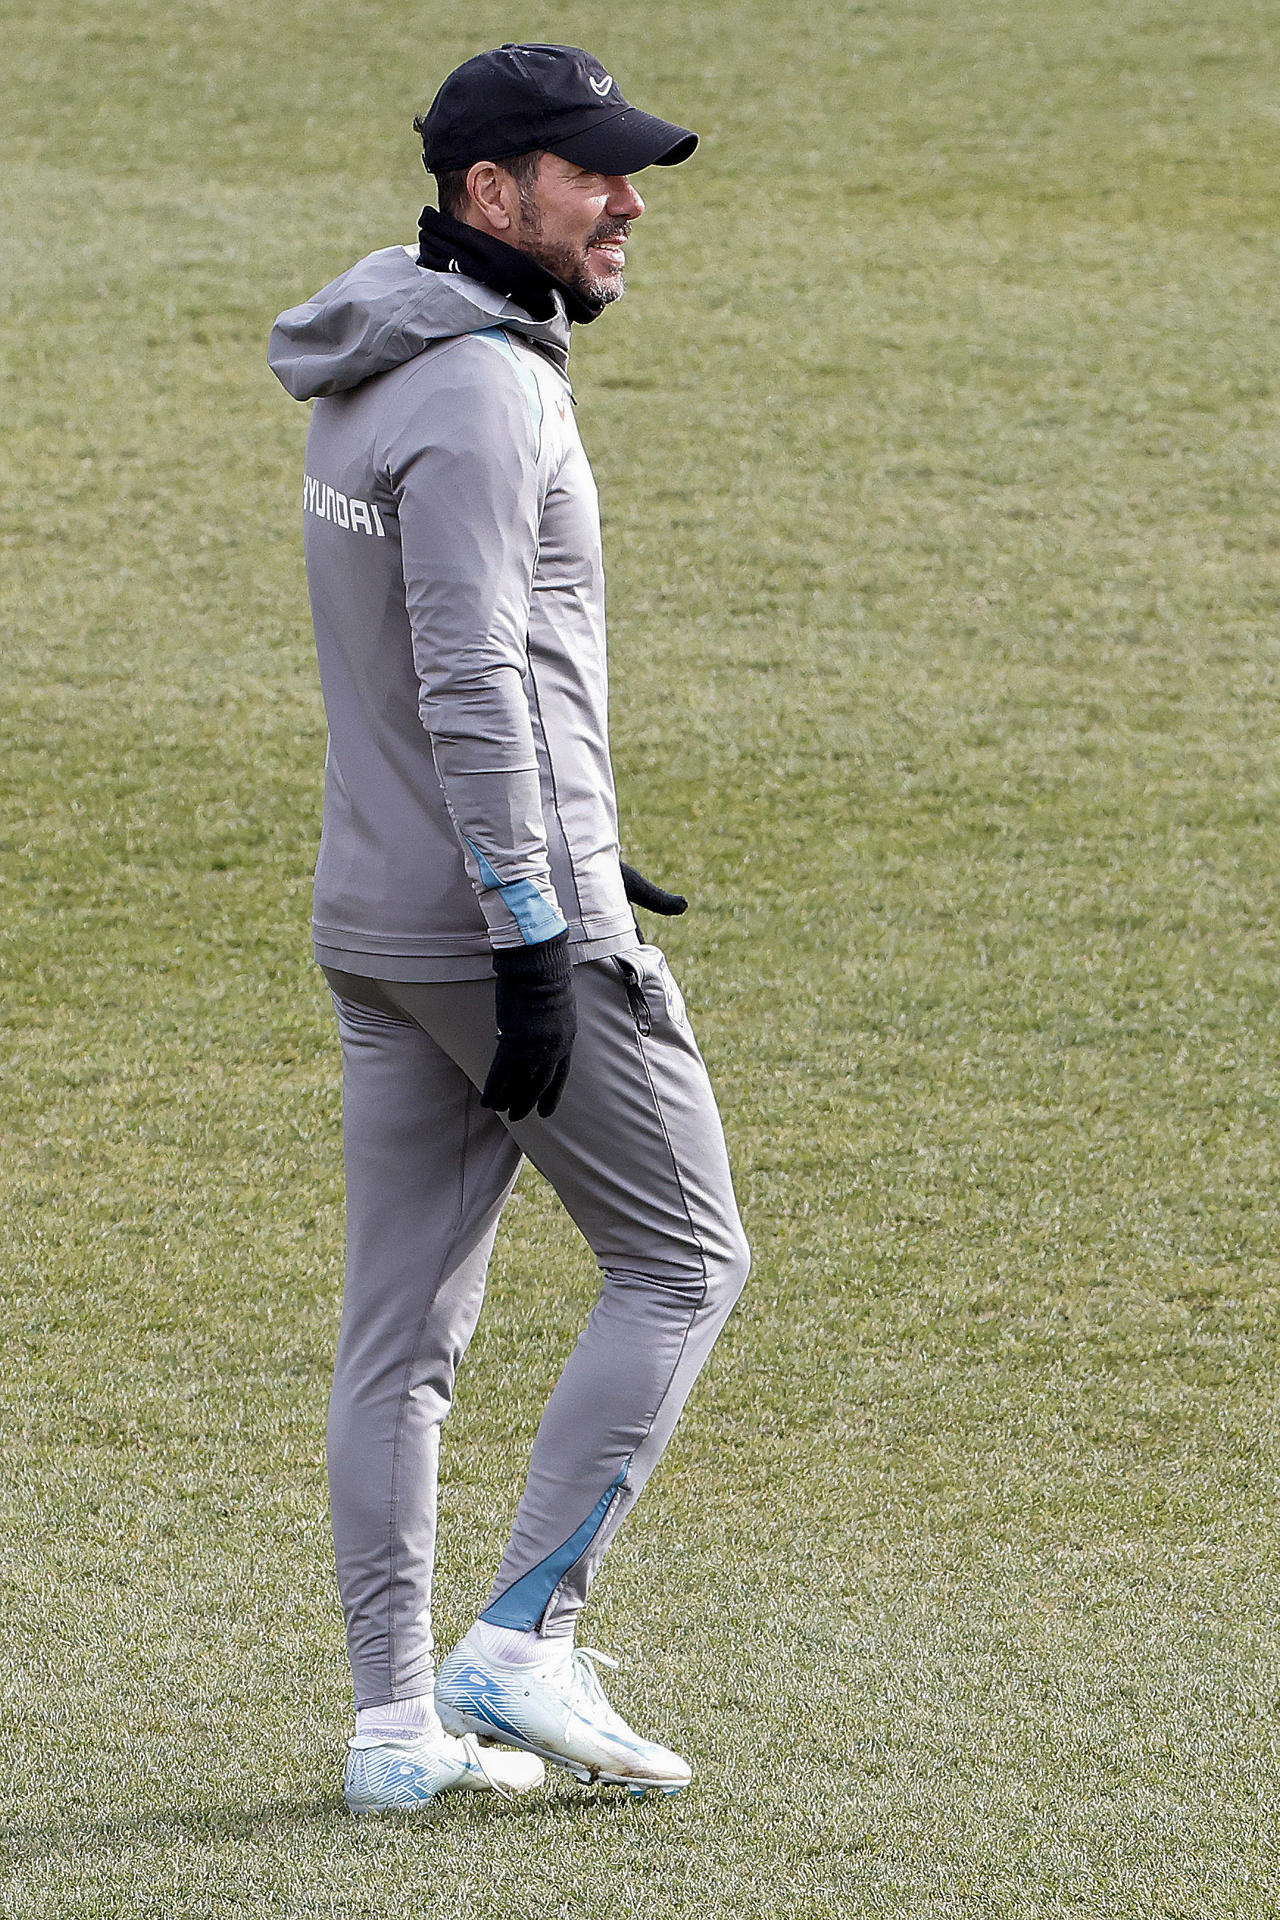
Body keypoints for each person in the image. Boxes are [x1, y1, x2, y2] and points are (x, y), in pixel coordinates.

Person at [268, 42, 749, 1816]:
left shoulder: (371, 357)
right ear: (494, 198)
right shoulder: (488, 392)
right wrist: (543, 922)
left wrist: (579, 849)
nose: (629, 205)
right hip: (488, 930)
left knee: (395, 1340)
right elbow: (472, 674)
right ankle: (524, 1640)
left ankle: (396, 1734)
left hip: (374, 916)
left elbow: (440, 672)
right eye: (592, 176)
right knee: (687, 1258)